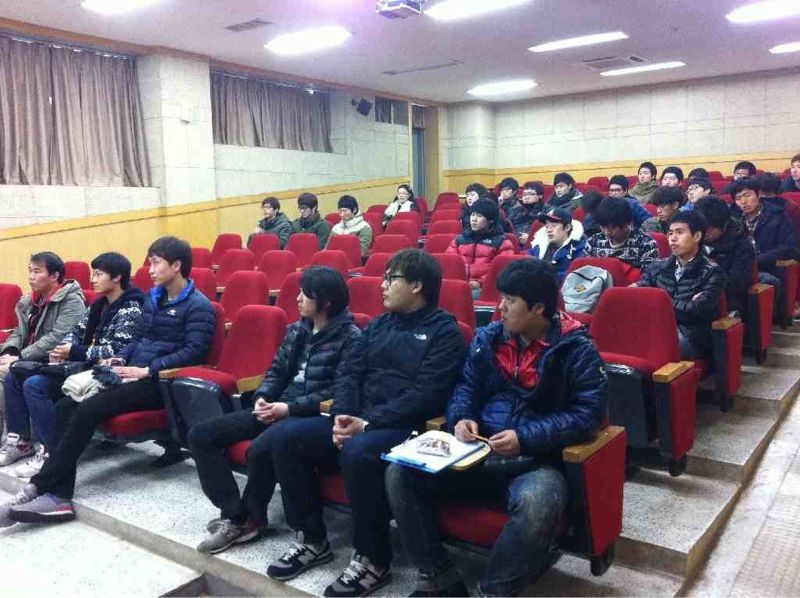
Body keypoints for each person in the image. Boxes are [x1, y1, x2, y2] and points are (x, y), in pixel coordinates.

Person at [386, 258, 607, 597]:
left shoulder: (576, 349)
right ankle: (438, 576)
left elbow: (587, 415)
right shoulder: (488, 339)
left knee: (537, 503)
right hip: (476, 450)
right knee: (400, 473)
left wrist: (525, 438)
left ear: (538, 308)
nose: (499, 307)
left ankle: (493, 591)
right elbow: (466, 387)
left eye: (510, 301)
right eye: (501, 298)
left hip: (535, 459)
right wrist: (462, 416)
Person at [265, 249, 467, 597]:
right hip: (361, 419)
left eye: (392, 278)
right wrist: (342, 416)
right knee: (285, 437)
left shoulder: (445, 332)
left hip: (408, 426)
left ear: (417, 285)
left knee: (358, 452)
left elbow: (427, 396)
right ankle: (311, 539)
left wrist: (367, 423)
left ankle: (373, 559)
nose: (382, 285)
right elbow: (350, 373)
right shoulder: (378, 325)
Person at [0, 237, 216, 526]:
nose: (149, 270)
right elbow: (138, 339)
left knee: (88, 407)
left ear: (176, 266)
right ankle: (56, 495)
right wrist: (121, 359)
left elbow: (194, 352)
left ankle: (42, 489)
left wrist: (148, 369)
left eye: (155, 263)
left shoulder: (199, 306)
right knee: (65, 406)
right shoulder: (155, 300)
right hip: (130, 372)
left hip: (158, 383)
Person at [188, 266, 361, 554]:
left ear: (326, 301)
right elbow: (276, 372)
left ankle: (249, 521)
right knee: (201, 435)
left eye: (306, 294)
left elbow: (340, 391)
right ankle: (235, 513)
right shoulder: (296, 330)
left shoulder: (351, 338)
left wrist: (288, 409)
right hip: (277, 406)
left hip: (308, 416)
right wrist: (263, 397)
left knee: (261, 447)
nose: (298, 298)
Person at [1, 253, 145, 478]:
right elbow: (75, 332)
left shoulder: (132, 308)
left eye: (98, 274)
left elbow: (117, 350)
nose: (92, 280)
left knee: (35, 384)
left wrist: (73, 351)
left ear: (117, 277)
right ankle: (20, 441)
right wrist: (62, 349)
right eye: (92, 274)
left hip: (103, 372)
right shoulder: (99, 304)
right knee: (14, 376)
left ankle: (51, 451)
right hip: (79, 365)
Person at [0, 252, 85, 441]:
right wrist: (11, 350)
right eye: (29, 271)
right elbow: (19, 331)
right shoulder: (31, 300)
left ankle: (19, 438)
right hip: (26, 357)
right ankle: (18, 439)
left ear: (54, 276)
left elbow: (56, 339)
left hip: (51, 360)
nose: (31, 276)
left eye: (37, 271)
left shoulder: (71, 301)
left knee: (5, 374)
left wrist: (19, 357)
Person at [634, 211, 726, 359]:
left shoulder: (712, 272)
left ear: (697, 236)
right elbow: (639, 300)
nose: (673, 238)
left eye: (680, 232)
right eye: (670, 233)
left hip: (691, 336)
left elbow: (695, 311)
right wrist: (681, 304)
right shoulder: (656, 267)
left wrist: (658, 302)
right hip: (656, 327)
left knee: (659, 342)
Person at [732, 177, 798, 317]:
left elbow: (789, 248)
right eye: (738, 198)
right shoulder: (733, 219)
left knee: (768, 281)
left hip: (768, 267)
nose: (743, 201)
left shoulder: (777, 215)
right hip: (740, 268)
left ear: (758, 194)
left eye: (747, 195)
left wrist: (759, 260)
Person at [695, 196, 754, 316]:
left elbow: (736, 282)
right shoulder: (692, 239)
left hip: (727, 301)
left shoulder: (742, 245)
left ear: (724, 224)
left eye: (709, 229)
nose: (704, 233)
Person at [446, 198, 515, 296]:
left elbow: (501, 271)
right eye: (473, 215)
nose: (474, 219)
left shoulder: (502, 242)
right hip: (460, 285)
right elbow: (449, 265)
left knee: (469, 296)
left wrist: (480, 283)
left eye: (479, 216)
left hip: (485, 288)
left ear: (490, 220)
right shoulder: (459, 240)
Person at [585, 197, 659, 270]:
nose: (607, 232)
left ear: (626, 224)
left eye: (612, 228)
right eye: (603, 227)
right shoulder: (593, 243)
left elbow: (649, 275)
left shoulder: (646, 244)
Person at [529, 207, 586, 283]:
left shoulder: (580, 249)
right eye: (547, 226)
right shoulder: (539, 247)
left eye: (554, 225)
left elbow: (573, 275)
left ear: (567, 227)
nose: (549, 230)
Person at [509, 182, 545, 247]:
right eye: (524, 194)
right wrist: (518, 237)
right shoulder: (516, 210)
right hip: (515, 243)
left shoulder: (545, 211)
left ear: (540, 196)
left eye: (530, 194)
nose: (526, 197)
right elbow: (508, 228)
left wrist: (530, 237)